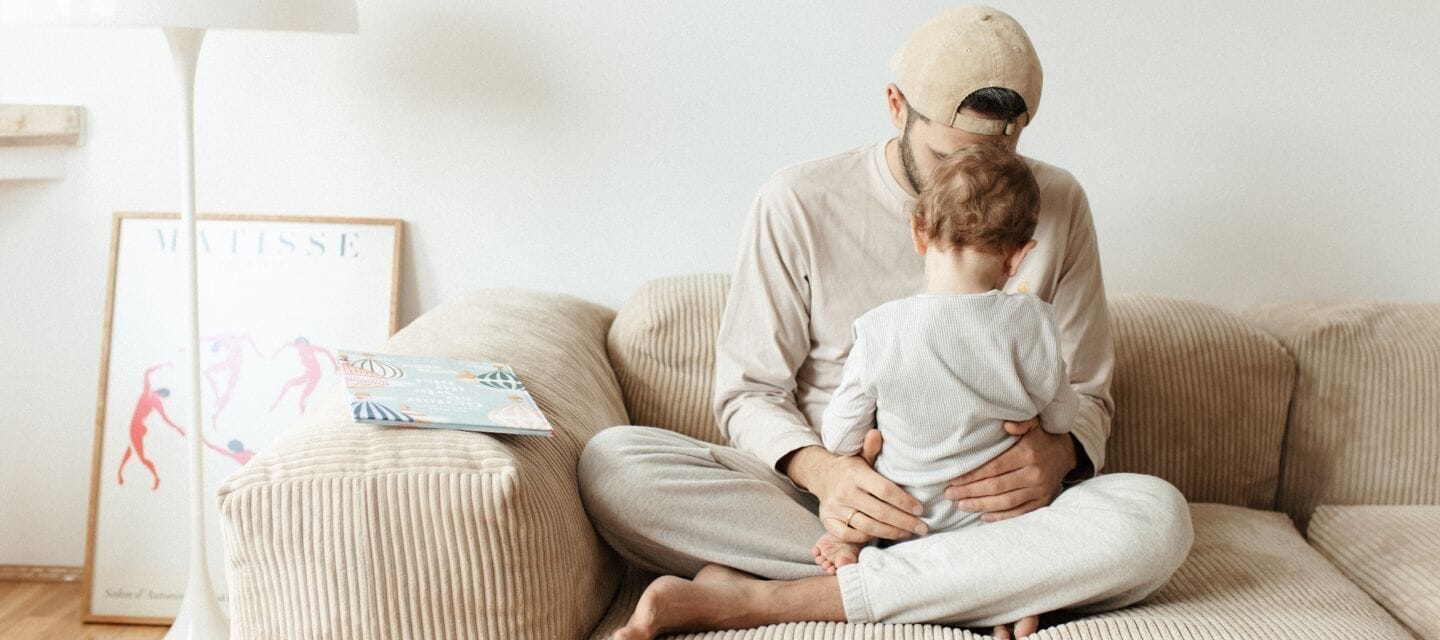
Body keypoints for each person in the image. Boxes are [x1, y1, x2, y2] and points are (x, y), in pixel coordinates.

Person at [579, 6, 1193, 639]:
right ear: (896, 106)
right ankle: (987, 584)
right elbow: (748, 393)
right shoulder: (798, 200)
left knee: (1156, 519)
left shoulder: (1056, 200)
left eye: (1002, 150)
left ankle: (764, 600)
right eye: (949, 154)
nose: (974, 175)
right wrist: (827, 474)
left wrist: (1058, 453)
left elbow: (1086, 393)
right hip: (828, 510)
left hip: (998, 515)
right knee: (616, 466)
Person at [811, 145, 1079, 596]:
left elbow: (837, 438)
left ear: (918, 232)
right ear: (1019, 256)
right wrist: (1036, 416)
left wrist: (863, 443)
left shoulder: (879, 328)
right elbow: (1062, 419)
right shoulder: (1033, 321)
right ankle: (999, 594)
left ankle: (861, 548)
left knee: (870, 456)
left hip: (905, 520)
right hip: (995, 528)